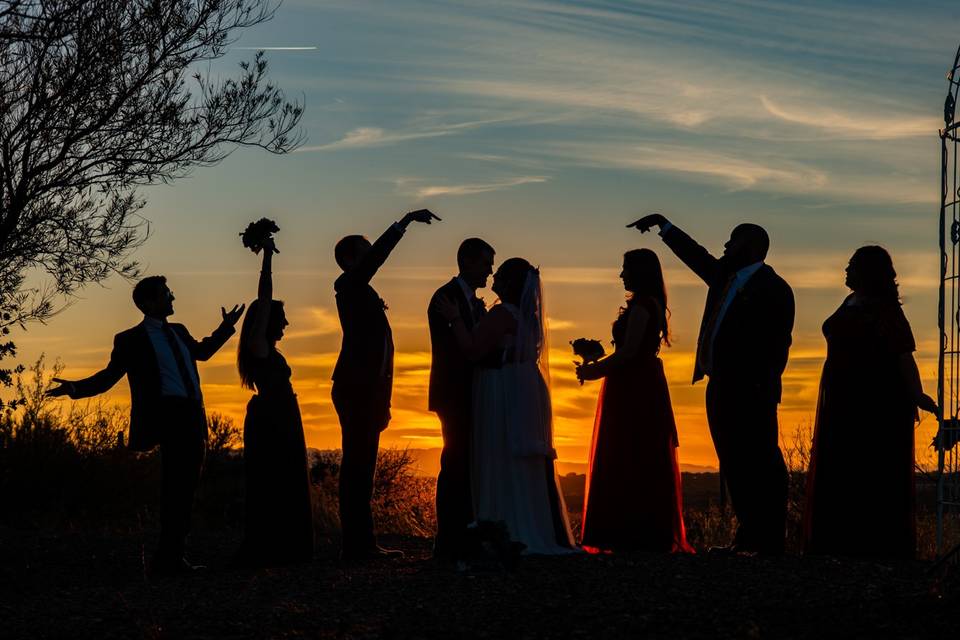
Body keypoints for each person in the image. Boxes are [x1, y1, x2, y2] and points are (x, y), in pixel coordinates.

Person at [47, 277, 244, 575]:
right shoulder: (129, 340)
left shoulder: (179, 331)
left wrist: (226, 328)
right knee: (176, 489)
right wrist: (75, 388)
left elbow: (202, 353)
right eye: (167, 294)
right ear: (148, 303)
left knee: (186, 488)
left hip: (192, 415)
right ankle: (169, 560)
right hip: (168, 419)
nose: (173, 297)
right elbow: (109, 377)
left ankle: (172, 557)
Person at [630, 213, 794, 555]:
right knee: (732, 462)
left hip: (752, 391)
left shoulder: (773, 288)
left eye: (732, 240)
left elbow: (777, 345)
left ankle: (769, 540)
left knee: (760, 463)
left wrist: (762, 387)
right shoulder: (724, 277)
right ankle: (748, 537)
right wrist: (665, 227)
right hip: (719, 385)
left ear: (750, 247)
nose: (725, 245)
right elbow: (697, 255)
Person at [433, 258, 576, 555]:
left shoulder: (502, 314)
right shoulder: (529, 317)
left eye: (499, 273)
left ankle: (501, 524)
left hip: (500, 388)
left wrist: (456, 318)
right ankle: (528, 522)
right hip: (525, 387)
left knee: (498, 451)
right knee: (518, 456)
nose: (492, 275)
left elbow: (472, 350)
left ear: (509, 283)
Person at [803, 246, 937, 559]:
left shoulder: (884, 308)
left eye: (851, 266)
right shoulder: (851, 302)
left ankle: (874, 546)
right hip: (841, 394)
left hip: (874, 399)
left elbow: (904, 354)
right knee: (841, 466)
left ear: (866, 271)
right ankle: (837, 542)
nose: (845, 271)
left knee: (870, 468)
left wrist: (916, 394)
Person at [332, 208, 441, 561]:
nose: (370, 256)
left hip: (369, 390)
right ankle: (357, 545)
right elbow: (374, 261)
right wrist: (403, 223)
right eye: (364, 252)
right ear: (350, 260)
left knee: (363, 466)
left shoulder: (360, 290)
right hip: (355, 389)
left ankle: (361, 543)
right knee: (357, 466)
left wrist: (385, 400)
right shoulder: (348, 285)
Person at [576, 249, 694, 553]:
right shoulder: (649, 304)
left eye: (626, 268)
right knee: (637, 451)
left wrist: (593, 371)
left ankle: (633, 532)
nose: (621, 275)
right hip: (639, 381)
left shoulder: (642, 306)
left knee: (629, 451)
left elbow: (628, 353)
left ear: (640, 272)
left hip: (634, 385)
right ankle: (639, 531)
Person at [235, 234, 313, 566]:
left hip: (284, 416)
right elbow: (264, 298)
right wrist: (267, 257)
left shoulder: (270, 351)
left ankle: (286, 546)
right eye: (281, 318)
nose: (286, 323)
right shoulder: (259, 347)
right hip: (272, 420)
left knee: (288, 478)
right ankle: (270, 547)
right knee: (272, 480)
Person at [428, 238, 496, 564]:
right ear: (467, 262)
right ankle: (448, 541)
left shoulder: (469, 300)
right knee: (454, 464)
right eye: (486, 263)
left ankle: (464, 536)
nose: (490, 271)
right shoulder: (446, 297)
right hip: (454, 392)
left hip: (468, 391)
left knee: (464, 464)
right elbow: (453, 350)